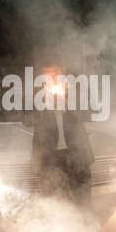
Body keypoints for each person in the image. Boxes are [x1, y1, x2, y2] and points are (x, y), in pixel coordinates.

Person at [23, 60, 95, 211]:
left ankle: (87, 231)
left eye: (55, 74)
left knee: (84, 202)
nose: (52, 79)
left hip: (78, 155)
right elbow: (27, 121)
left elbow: (90, 113)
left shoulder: (76, 90)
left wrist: (67, 104)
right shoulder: (34, 95)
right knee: (58, 204)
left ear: (63, 71)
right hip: (49, 158)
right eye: (47, 76)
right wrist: (45, 105)